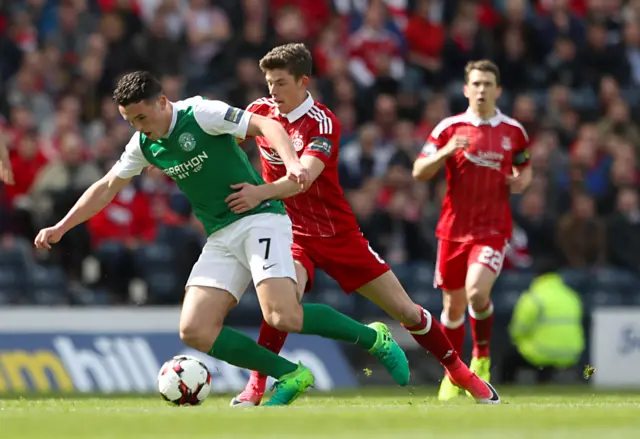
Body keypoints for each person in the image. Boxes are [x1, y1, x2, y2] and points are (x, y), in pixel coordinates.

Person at [34, 71, 411, 406]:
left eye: (141, 117)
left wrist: (293, 163)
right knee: (194, 329)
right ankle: (291, 373)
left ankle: (374, 338)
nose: (138, 126)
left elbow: (269, 126)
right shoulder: (143, 144)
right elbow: (105, 187)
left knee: (282, 315)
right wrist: (62, 227)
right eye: (129, 120)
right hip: (220, 235)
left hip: (260, 220)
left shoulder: (201, 114)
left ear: (163, 102)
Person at [225, 43, 499, 406]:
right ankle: (257, 383)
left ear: (303, 81)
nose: (272, 92)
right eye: (269, 83)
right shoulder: (260, 111)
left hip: (337, 233)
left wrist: (259, 192)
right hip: (287, 231)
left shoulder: (322, 122)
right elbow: (222, 137)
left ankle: (459, 372)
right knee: (279, 308)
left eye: (280, 83)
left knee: (407, 311)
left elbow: (303, 178)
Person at [412, 59, 532, 400]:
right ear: (466, 89)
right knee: (452, 308)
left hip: (492, 229)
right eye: (476, 84)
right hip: (452, 230)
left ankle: (481, 357)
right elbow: (419, 171)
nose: (481, 90)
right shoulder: (448, 129)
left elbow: (525, 167)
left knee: (477, 293)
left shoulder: (513, 131)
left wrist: (521, 182)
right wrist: (447, 152)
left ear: (498, 90)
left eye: (487, 84)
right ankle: (455, 374)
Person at [501, 258, 585, 384]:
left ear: (537, 275)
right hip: (570, 353)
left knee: (509, 360)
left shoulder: (533, 297)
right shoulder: (572, 296)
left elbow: (517, 330)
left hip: (541, 352)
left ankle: (506, 390)